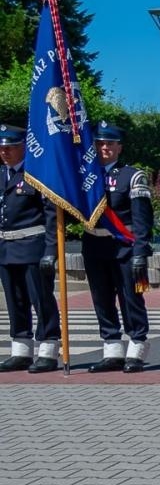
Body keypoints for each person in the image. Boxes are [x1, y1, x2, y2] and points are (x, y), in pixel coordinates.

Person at [81, 122, 153, 372]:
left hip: (124, 247)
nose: (104, 148)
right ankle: (112, 349)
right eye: (100, 144)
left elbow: (142, 219)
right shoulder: (86, 176)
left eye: (110, 144)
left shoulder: (132, 176)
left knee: (130, 299)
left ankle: (136, 347)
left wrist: (141, 252)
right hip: (94, 246)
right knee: (102, 298)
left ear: (119, 147)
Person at [0, 123, 61, 373]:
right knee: (14, 300)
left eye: (11, 147)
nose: (5, 152)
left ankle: (48, 349)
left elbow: (50, 216)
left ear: (24, 147)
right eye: (2, 148)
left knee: (41, 299)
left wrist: (51, 251)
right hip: (5, 247)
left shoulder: (36, 175)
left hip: (32, 245)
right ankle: (21, 350)